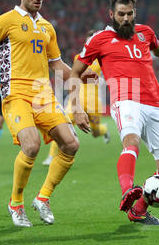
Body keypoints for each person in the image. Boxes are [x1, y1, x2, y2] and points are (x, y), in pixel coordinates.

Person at [0, 0, 96, 228]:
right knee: (31, 145)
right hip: (15, 92)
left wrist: (79, 84)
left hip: (43, 94)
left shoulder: (47, 27)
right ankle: (15, 203)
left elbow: (58, 66)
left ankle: (43, 198)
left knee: (71, 144)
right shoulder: (6, 20)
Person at [70, 0, 159, 226]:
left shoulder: (145, 32)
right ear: (111, 14)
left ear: (135, 13)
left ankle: (139, 209)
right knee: (131, 141)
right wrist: (77, 107)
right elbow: (74, 72)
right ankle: (128, 191)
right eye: (121, 14)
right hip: (125, 99)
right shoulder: (99, 39)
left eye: (130, 14)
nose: (126, 19)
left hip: (156, 103)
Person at [42, 30, 110, 166]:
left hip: (94, 101)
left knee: (95, 132)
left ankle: (104, 130)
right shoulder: (79, 57)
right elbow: (75, 75)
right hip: (78, 98)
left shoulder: (103, 58)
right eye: (89, 41)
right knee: (63, 126)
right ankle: (51, 156)